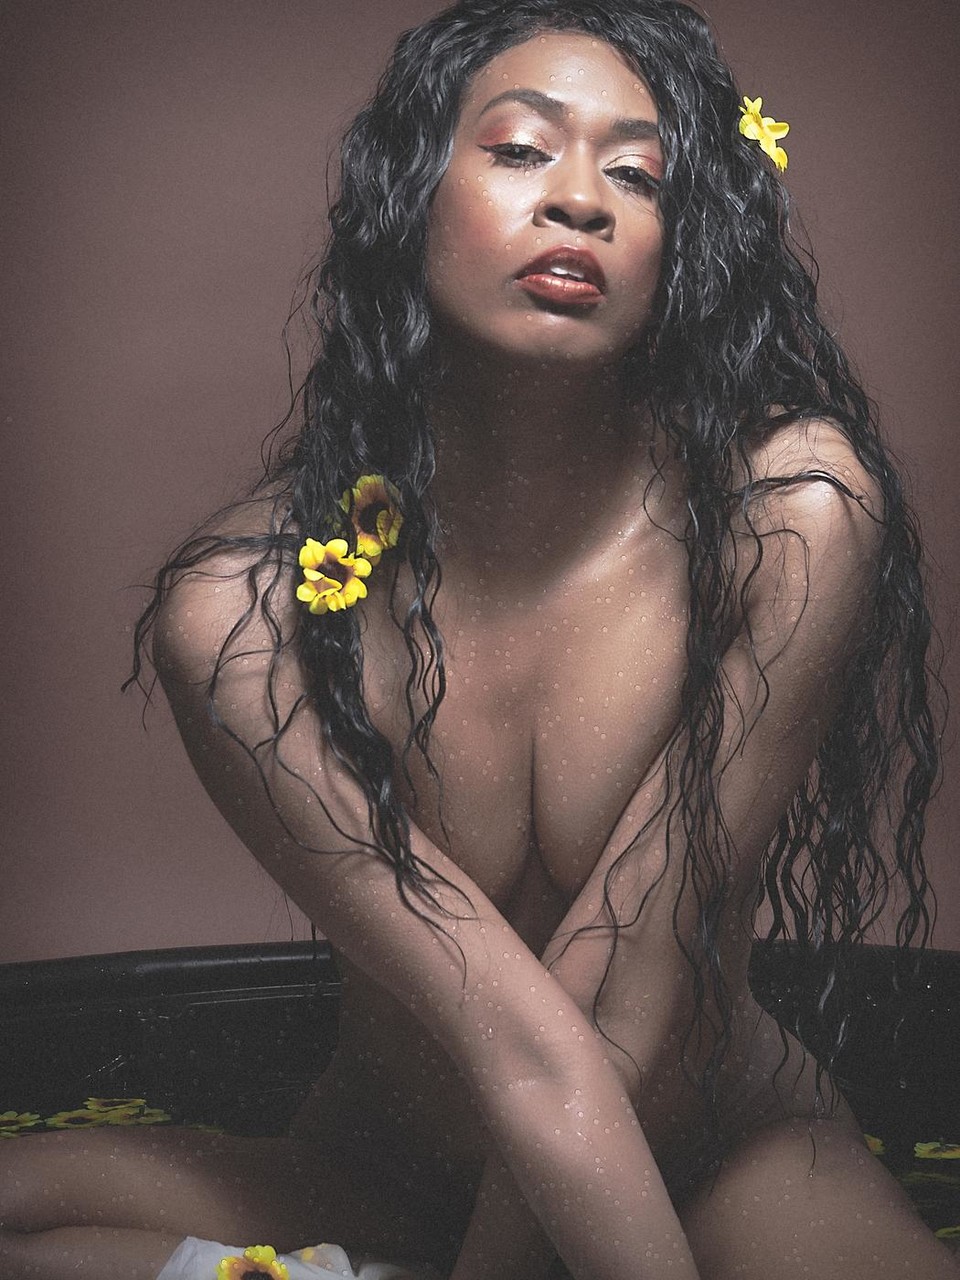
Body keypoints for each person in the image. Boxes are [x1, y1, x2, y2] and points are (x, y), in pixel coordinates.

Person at [1, 1, 955, 1277]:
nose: (581, 201)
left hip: (713, 1154)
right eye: (518, 150)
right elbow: (513, 1038)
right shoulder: (247, 613)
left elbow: (635, 984)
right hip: (390, 1172)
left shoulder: (788, 516)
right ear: (408, 197)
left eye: (639, 175)